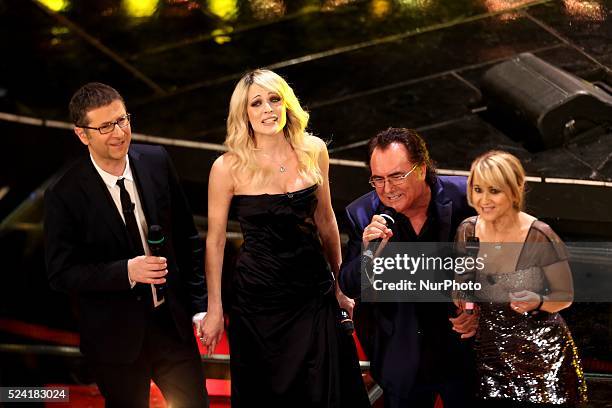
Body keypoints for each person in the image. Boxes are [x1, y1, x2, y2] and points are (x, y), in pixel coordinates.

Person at [199, 69, 370, 407]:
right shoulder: (227, 167)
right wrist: (214, 308)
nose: (267, 110)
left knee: (327, 387)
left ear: (287, 103)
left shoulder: (313, 150)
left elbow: (325, 219)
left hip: (312, 291)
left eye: (274, 99)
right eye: (256, 103)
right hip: (258, 300)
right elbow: (215, 241)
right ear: (244, 114)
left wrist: (339, 285)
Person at [44, 82, 208, 407]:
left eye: (122, 120)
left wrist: (199, 305)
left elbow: (188, 238)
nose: (119, 132)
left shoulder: (157, 160)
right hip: (113, 339)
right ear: (82, 134)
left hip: (171, 325)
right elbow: (61, 273)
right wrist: (127, 271)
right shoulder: (64, 194)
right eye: (105, 126)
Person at [338, 127, 478, 408]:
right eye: (378, 179)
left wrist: (480, 310)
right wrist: (369, 254)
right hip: (401, 355)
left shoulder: (467, 198)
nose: (387, 189)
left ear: (422, 169)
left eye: (397, 176)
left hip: (464, 354)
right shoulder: (362, 213)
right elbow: (350, 284)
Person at [455, 150, 587, 407]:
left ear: (515, 190)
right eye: (478, 189)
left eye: (494, 190)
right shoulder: (467, 230)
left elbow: (564, 297)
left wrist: (537, 301)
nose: (484, 200)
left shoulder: (539, 235)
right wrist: (466, 310)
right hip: (490, 354)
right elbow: (463, 285)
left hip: (539, 357)